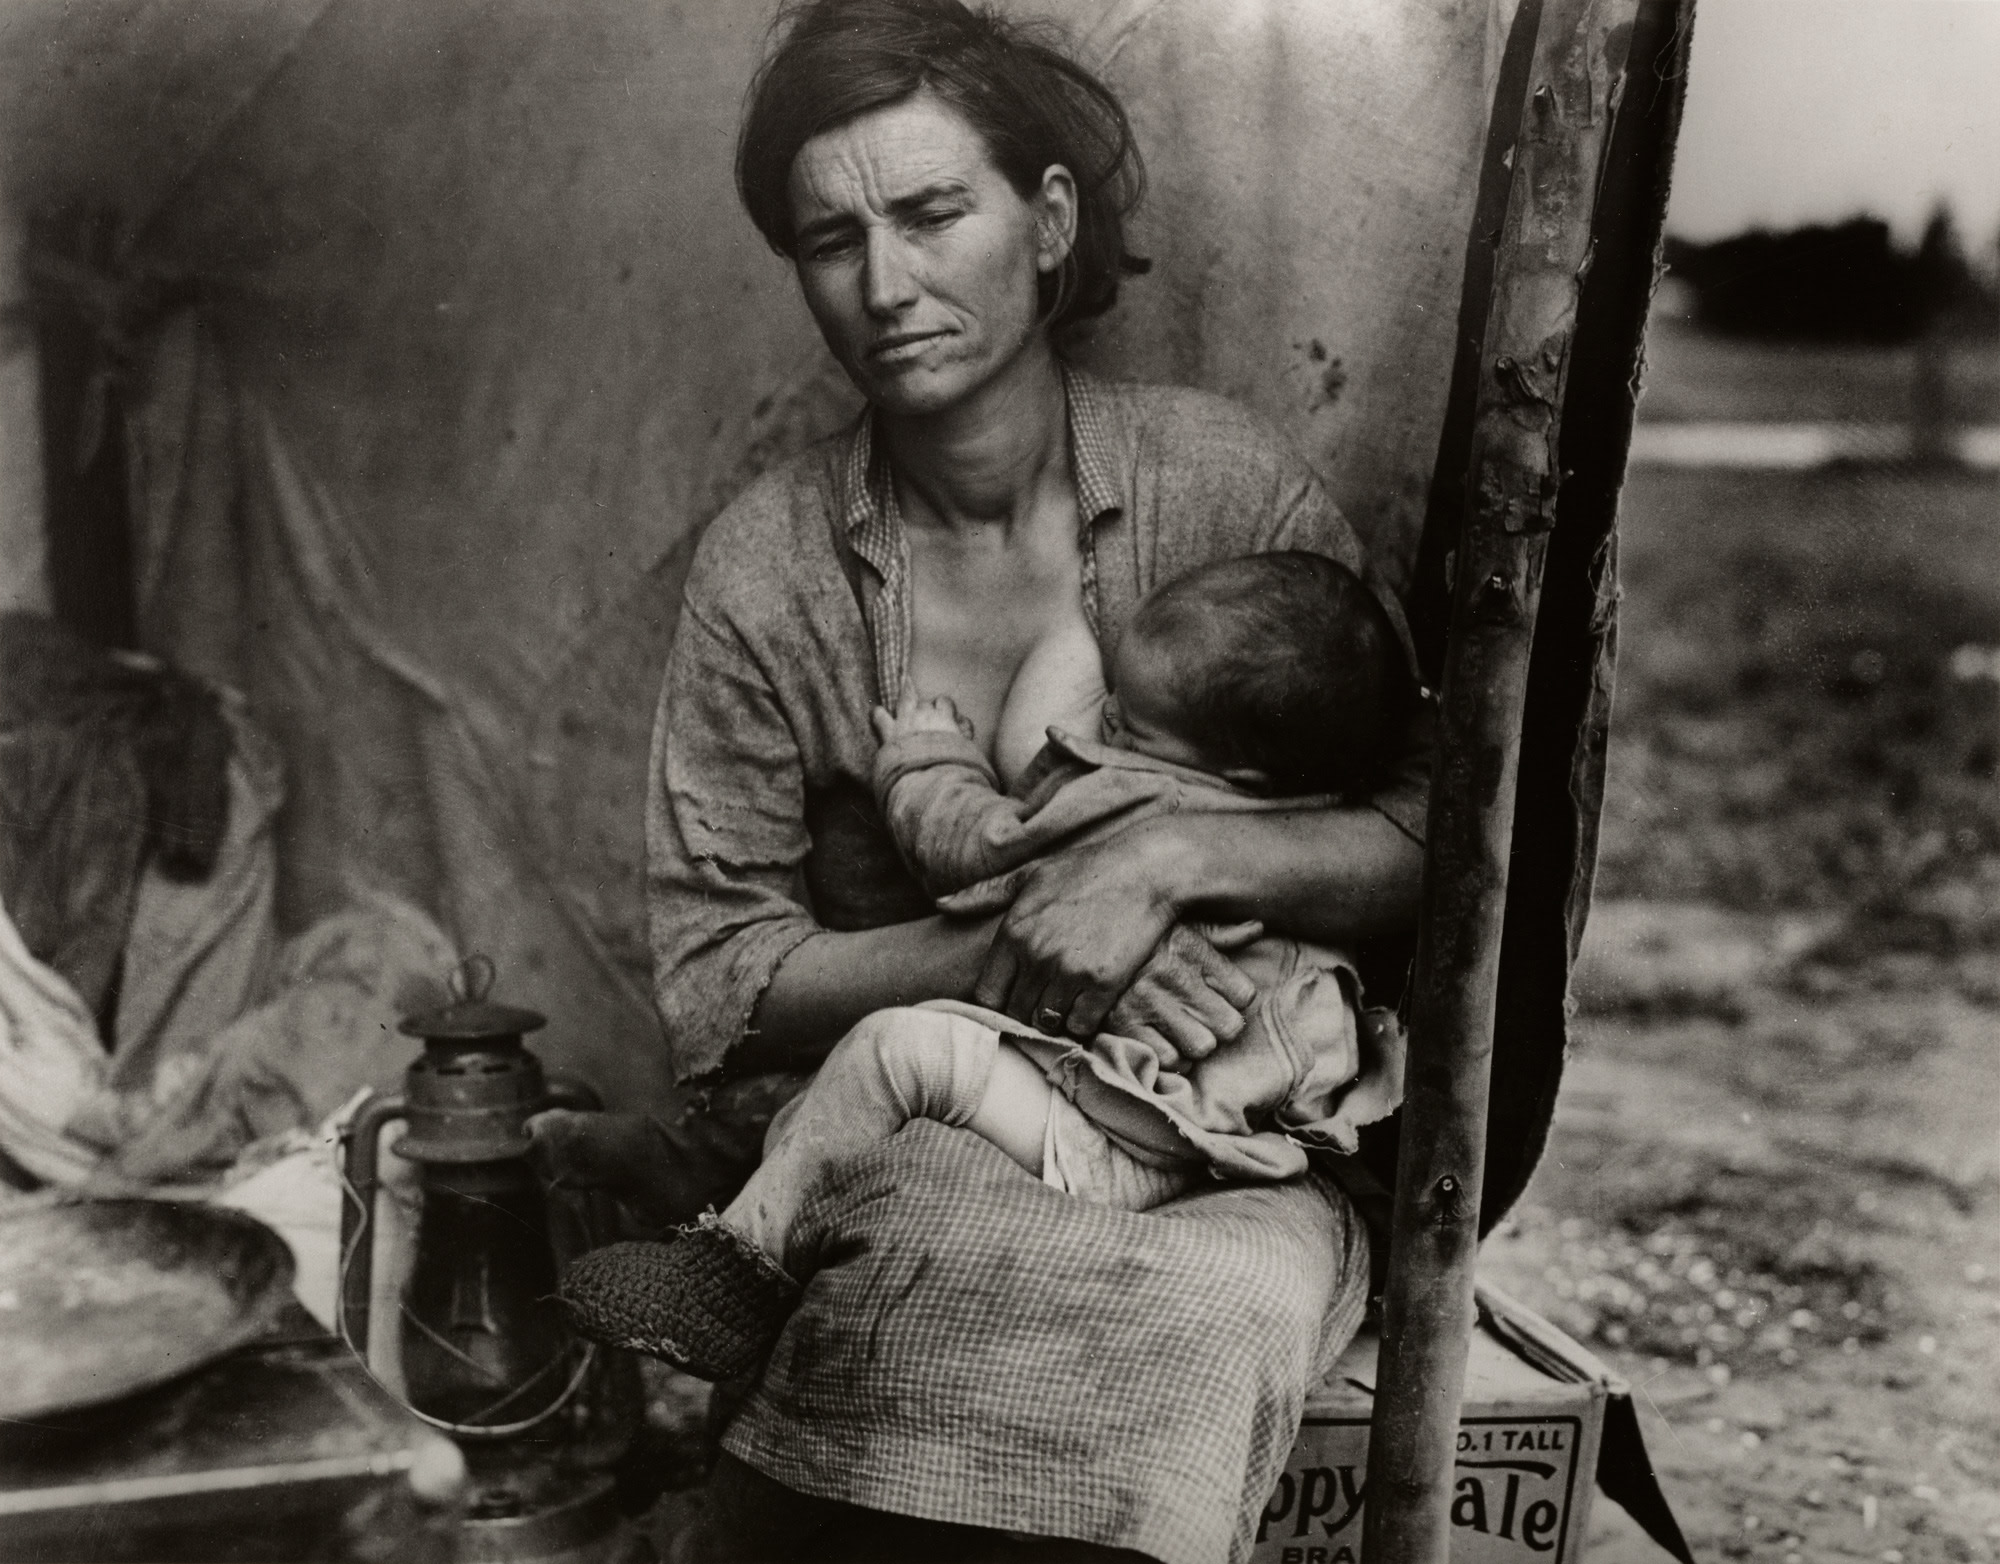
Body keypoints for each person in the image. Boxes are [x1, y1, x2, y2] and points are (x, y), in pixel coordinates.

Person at [534, 2, 1431, 1557]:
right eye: (831, 240)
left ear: (1049, 219)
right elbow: (715, 983)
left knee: (1202, 1328)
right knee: (911, 1316)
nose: (887, 284)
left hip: (1237, 1150)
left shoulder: (1223, 489)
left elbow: (1429, 843)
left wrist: (1156, 875)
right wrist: (1026, 955)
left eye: (934, 211)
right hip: (939, 1127)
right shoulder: (770, 570)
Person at [557, 552, 1413, 1381]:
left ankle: (731, 1283)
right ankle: (720, 1179)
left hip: (1127, 1141)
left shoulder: (1142, 797)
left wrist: (929, 758)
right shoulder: (1301, 818)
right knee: (880, 1101)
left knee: (897, 1052)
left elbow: (978, 849)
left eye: (1127, 722)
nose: (1101, 721)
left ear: (1238, 770)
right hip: (1193, 1129)